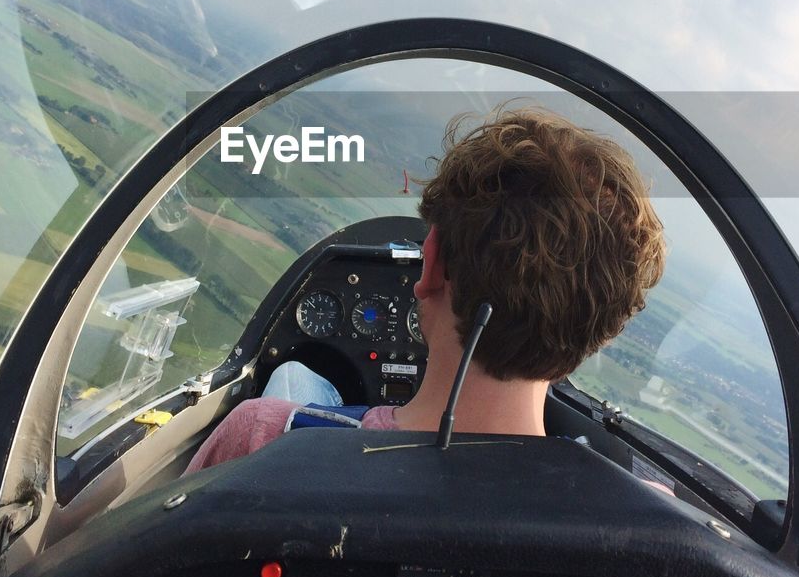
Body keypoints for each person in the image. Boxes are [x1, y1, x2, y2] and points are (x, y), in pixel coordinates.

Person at [184, 107, 666, 474]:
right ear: (599, 329)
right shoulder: (649, 516)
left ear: (430, 263)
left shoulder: (262, 438)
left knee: (293, 377)